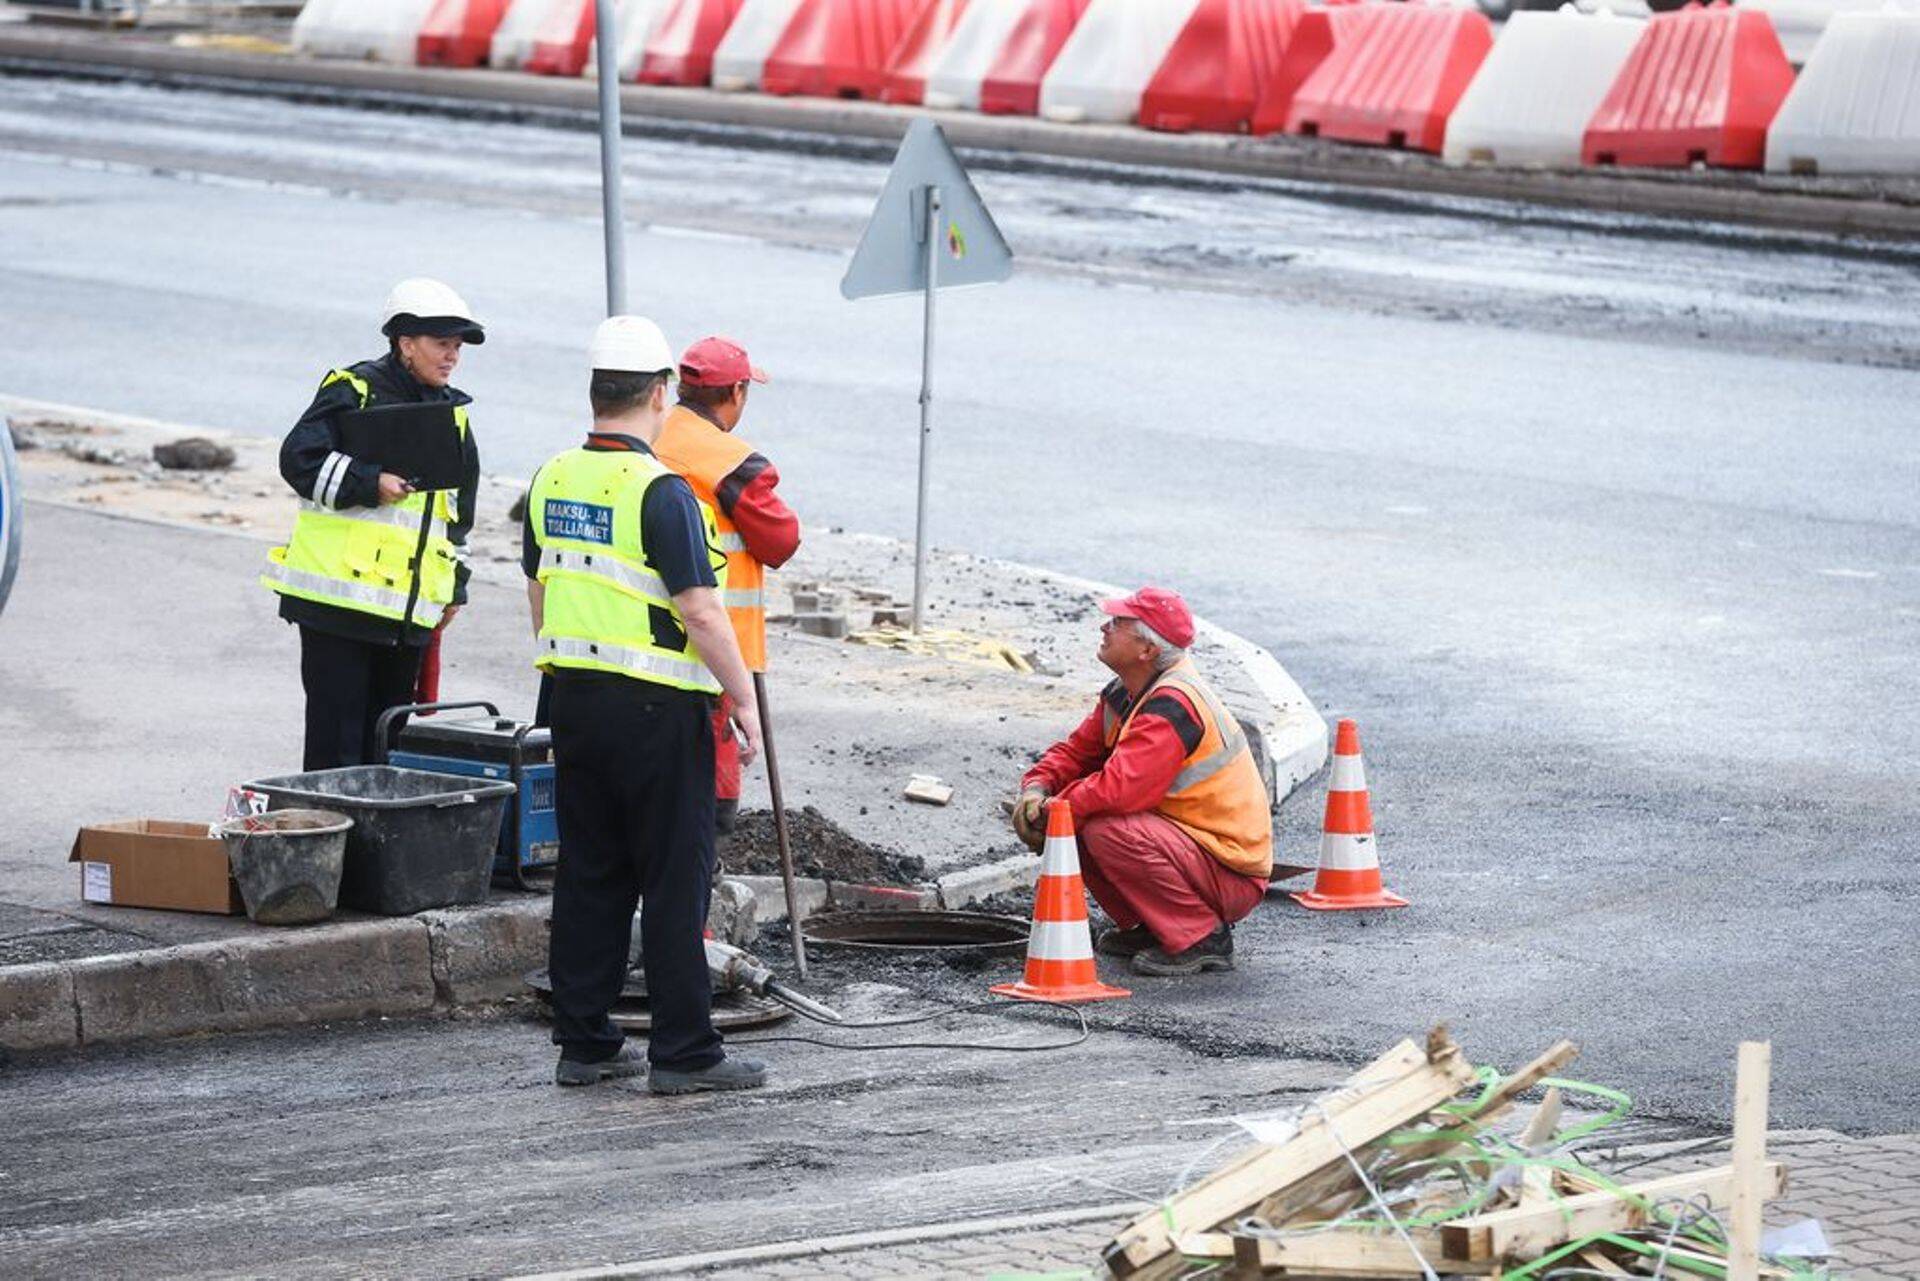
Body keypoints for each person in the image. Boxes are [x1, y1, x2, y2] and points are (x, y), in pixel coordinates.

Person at [523, 314, 768, 1094]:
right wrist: (741, 699)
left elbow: (540, 586)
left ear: (596, 392)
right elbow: (701, 609)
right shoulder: (660, 492)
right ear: (660, 394)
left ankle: (586, 1041)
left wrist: (568, 664)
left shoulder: (551, 476)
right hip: (659, 710)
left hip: (574, 699)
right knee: (673, 876)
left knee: (590, 870)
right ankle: (686, 1053)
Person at [262, 278, 483, 771]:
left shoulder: (455, 418)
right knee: (335, 753)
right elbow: (298, 460)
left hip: (405, 620)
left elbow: (457, 520)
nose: (452, 357)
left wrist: (455, 590)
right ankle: (327, 843)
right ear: (406, 343)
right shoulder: (354, 390)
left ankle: (377, 848)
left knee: (386, 753)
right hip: (337, 609)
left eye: (457, 347)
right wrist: (368, 481)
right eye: (441, 344)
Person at [1013, 587, 1272, 977]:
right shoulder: (1128, 691)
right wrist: (1037, 787)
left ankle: (1201, 936)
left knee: (1100, 826)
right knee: (1080, 818)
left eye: (1117, 623)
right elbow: (1076, 753)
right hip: (1198, 854)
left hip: (1229, 873)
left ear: (1147, 651)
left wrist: (1053, 812)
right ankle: (1154, 926)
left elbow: (1120, 791)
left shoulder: (1172, 705)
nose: (1104, 627)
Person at [649, 336, 801, 834]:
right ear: (736, 392)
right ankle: (700, 900)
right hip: (716, 649)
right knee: (710, 802)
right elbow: (781, 541)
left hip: (640, 640)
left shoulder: (647, 434)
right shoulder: (733, 463)